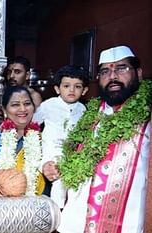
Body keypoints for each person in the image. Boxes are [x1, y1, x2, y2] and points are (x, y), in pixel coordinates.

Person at [55, 45, 151, 233]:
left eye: (121, 68)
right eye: (105, 71)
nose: (113, 76)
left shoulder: (147, 115)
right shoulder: (89, 115)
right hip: (75, 224)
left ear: (138, 73)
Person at [34, 65, 89, 208]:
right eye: (66, 86)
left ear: (84, 91)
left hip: (71, 156)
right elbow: (33, 125)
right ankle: (56, 215)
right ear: (57, 89)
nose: (71, 90)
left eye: (77, 87)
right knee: (58, 185)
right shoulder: (48, 105)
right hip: (50, 154)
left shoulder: (83, 110)